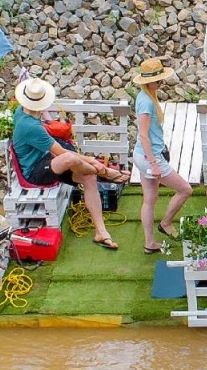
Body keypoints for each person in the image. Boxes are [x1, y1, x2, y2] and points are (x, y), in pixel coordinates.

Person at [10, 78, 130, 251]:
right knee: (71, 160)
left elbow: (59, 152)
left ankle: (101, 232)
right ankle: (106, 174)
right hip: (34, 172)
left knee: (89, 176)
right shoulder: (30, 126)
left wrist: (92, 164)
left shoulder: (23, 112)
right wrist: (100, 167)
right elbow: (64, 155)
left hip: (47, 159)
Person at [132, 58, 194, 254]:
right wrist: (154, 163)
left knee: (150, 198)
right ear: (148, 81)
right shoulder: (146, 103)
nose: (161, 83)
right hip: (150, 157)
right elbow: (143, 134)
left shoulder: (147, 96)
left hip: (143, 155)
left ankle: (149, 242)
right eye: (158, 81)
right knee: (185, 189)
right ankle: (166, 223)